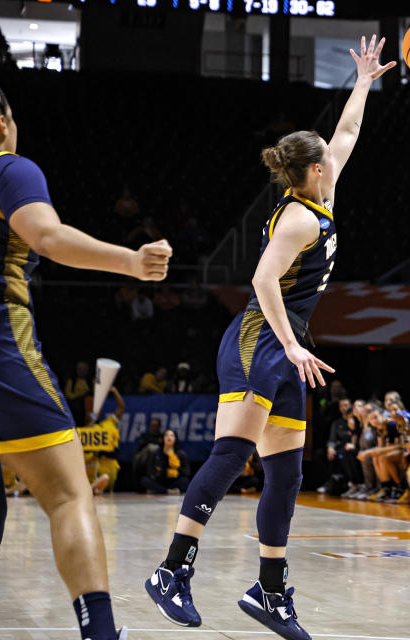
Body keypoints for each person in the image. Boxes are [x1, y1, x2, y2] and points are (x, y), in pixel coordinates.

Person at [145, 35, 396, 639]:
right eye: (327, 161)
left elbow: (348, 136)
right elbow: (260, 281)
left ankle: (270, 591)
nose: (336, 162)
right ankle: (170, 573)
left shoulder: (321, 192)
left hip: (286, 347)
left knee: (286, 474)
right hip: (259, 339)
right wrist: (288, 346)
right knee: (233, 455)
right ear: (314, 171)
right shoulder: (299, 215)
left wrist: (363, 81)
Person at [0, 84, 171, 640]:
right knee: (69, 494)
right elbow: (45, 235)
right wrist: (131, 261)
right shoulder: (8, 167)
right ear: (2, 122)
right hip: (0, 346)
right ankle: (100, 632)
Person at [78, 387, 126, 495]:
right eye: (88, 411)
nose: (91, 412)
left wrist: (115, 392)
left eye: (94, 410)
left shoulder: (108, 424)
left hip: (110, 467)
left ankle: (94, 490)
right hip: (92, 470)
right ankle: (93, 490)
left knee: (105, 481)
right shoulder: (81, 433)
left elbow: (121, 407)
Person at [141, 429, 191, 495]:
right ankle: (167, 491)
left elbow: (187, 472)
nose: (169, 437)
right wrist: (158, 471)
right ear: (163, 438)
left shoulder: (180, 454)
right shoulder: (156, 453)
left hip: (174, 481)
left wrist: (178, 467)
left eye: (171, 435)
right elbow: (149, 471)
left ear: (175, 439)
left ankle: (157, 490)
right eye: (166, 435)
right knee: (144, 480)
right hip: (159, 481)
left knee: (185, 481)